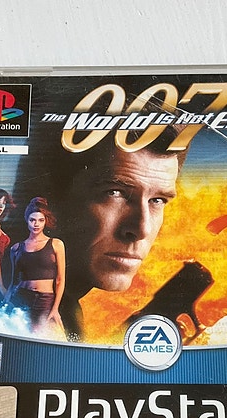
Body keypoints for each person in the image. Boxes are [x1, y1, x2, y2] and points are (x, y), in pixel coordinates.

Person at [45, 124, 189, 340]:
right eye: (114, 193)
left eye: (157, 200)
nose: (142, 229)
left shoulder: (65, 309)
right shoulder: (32, 311)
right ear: (55, 199)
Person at [7, 197, 66, 334]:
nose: (36, 224)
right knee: (19, 334)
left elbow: (60, 279)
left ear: (45, 221)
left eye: (41, 220)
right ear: (27, 220)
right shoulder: (16, 248)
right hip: (21, 297)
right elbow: (13, 281)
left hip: (44, 299)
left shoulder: (56, 244)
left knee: (43, 335)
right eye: (32, 220)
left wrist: (55, 308)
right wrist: (6, 301)